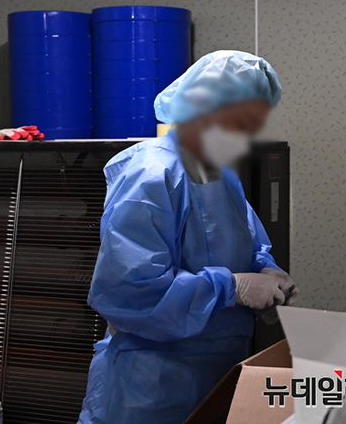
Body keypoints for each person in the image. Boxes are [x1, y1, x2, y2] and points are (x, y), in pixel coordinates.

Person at [78, 50, 298, 424]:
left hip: (218, 372)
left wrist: (266, 269)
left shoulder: (218, 172)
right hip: (150, 387)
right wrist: (231, 288)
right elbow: (129, 291)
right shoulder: (152, 174)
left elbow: (247, 240)